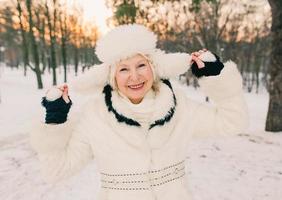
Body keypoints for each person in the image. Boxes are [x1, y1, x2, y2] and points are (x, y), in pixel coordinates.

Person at [29, 24, 249, 200]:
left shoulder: (179, 107)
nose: (134, 77)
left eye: (141, 65)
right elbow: (56, 170)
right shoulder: (95, 116)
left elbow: (232, 122)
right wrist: (55, 120)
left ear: (153, 67)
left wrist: (216, 78)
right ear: (112, 76)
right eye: (124, 69)